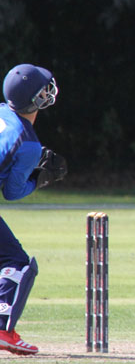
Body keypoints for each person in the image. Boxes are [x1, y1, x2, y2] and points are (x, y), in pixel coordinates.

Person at [0, 63, 67, 355]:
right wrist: (40, 179)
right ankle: (2, 329)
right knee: (17, 263)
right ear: (36, 99)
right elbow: (12, 192)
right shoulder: (28, 144)